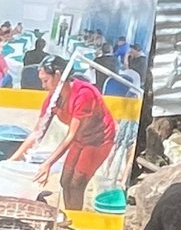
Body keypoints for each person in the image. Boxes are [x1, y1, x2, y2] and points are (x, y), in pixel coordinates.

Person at [7, 57, 116, 210]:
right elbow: (38, 132)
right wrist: (12, 160)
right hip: (79, 139)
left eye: (45, 81)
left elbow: (71, 135)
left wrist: (48, 164)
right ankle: (71, 215)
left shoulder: (84, 94)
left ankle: (76, 219)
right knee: (65, 181)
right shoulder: (54, 98)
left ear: (58, 75)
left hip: (99, 140)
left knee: (77, 182)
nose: (43, 86)